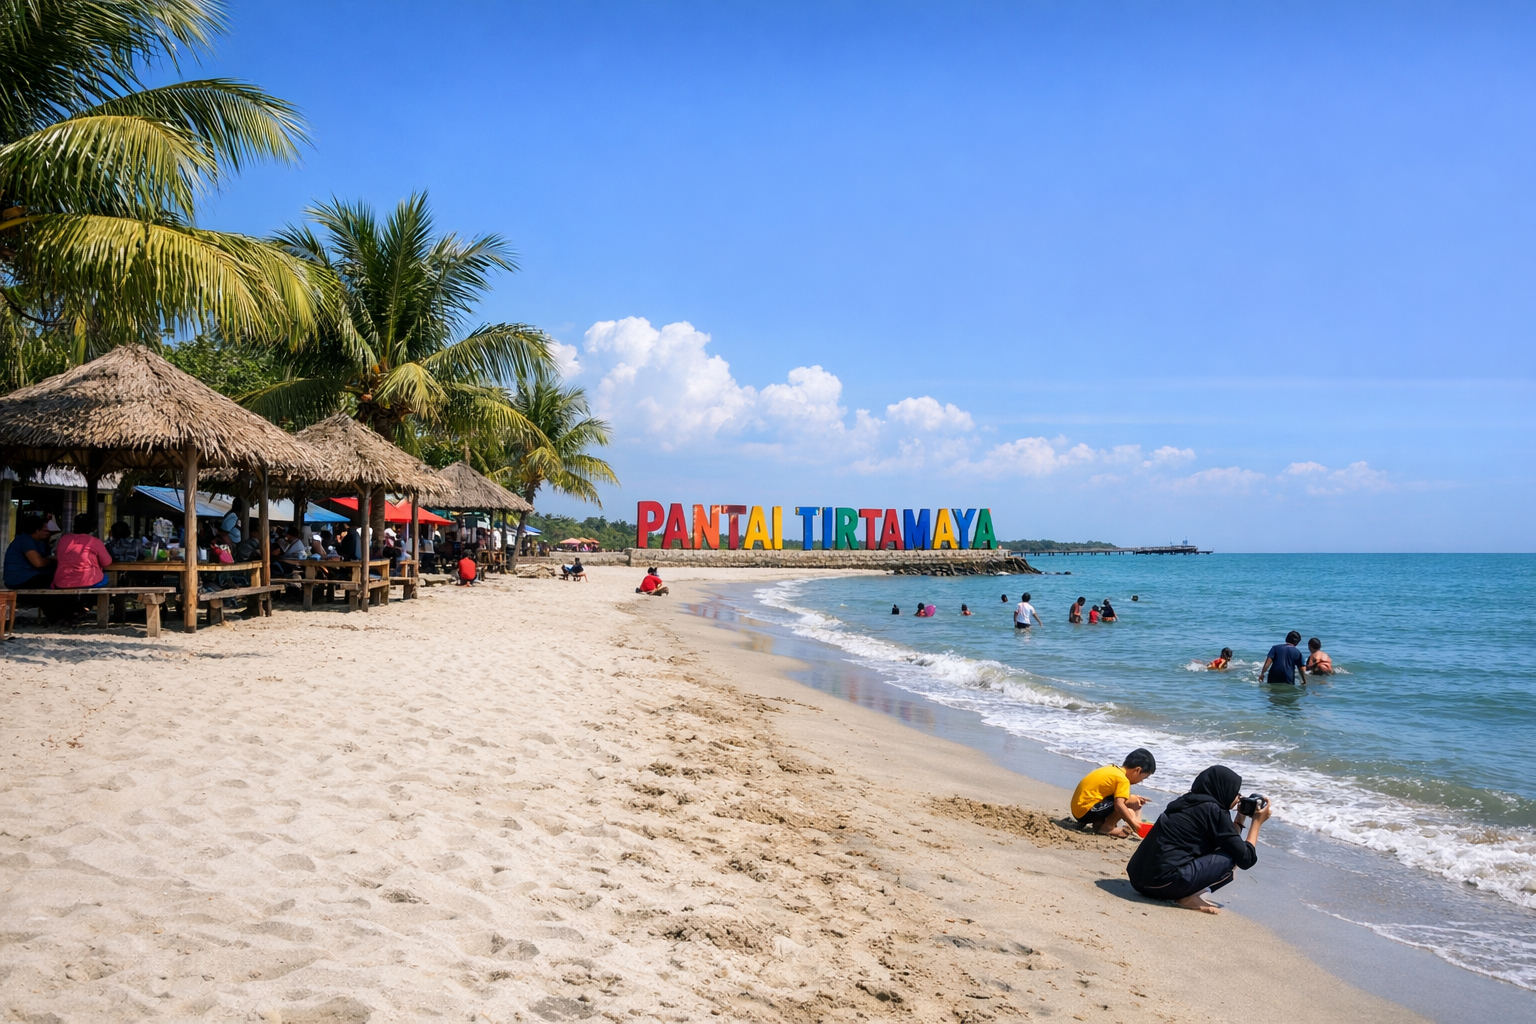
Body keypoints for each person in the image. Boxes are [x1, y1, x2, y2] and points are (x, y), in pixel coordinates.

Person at [1126, 765, 1271, 914]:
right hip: (1161, 885)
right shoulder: (1214, 810)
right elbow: (1246, 858)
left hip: (1138, 880)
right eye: (1236, 793)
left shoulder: (1186, 801)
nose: (1238, 798)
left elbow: (1231, 841)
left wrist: (1240, 818)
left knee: (1228, 849)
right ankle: (1188, 898)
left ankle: (1185, 892)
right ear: (1224, 789)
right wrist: (1257, 823)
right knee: (1230, 859)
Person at [1070, 748, 1157, 837]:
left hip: (1079, 810)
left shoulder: (1112, 769)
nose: (1141, 781)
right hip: (1086, 812)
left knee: (1133, 799)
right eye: (1144, 777)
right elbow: (1119, 805)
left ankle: (1100, 824)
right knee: (1130, 801)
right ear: (1137, 770)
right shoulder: (1123, 780)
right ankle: (1108, 827)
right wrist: (1131, 822)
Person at [4, 514, 57, 591]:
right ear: (36, 531)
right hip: (20, 579)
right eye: (45, 530)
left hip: (28, 576)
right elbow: (39, 563)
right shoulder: (25, 540)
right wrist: (51, 560)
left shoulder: (39, 542)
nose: (48, 533)